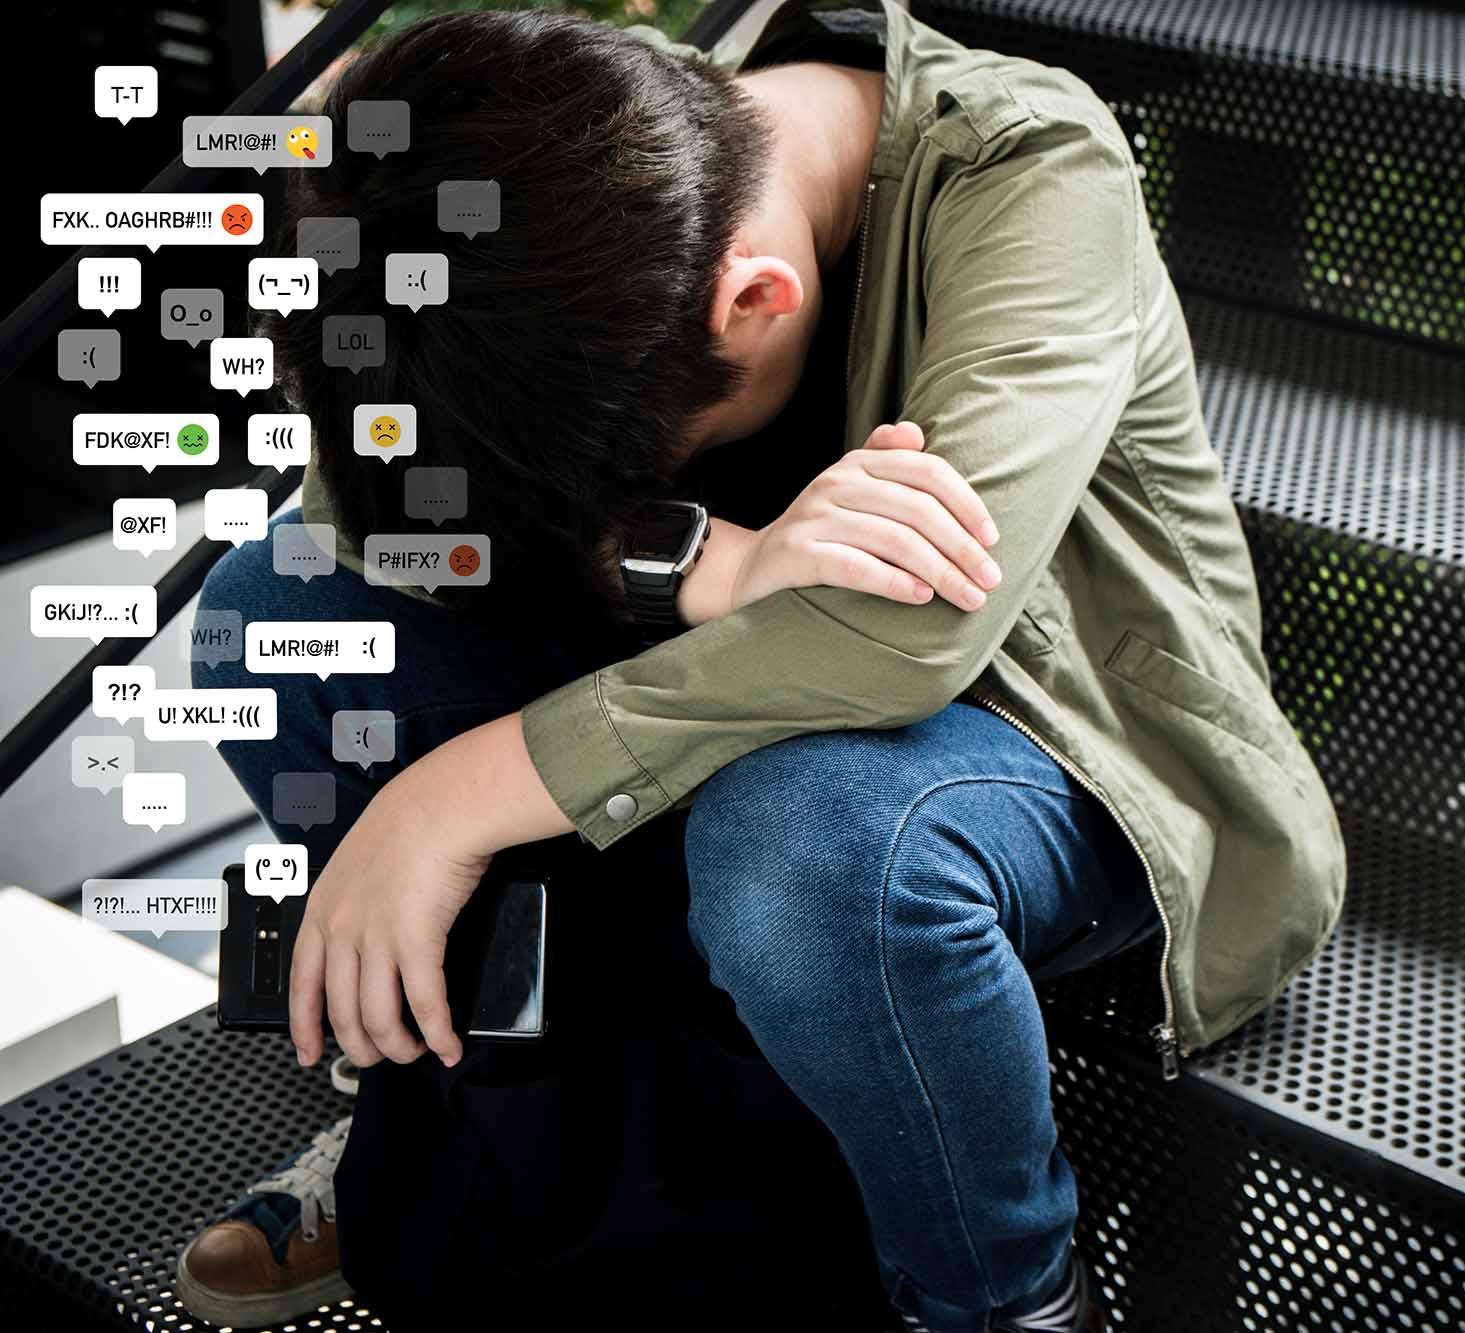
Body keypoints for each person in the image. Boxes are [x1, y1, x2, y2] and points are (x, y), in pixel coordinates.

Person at [180, 2, 1347, 1330]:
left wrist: (450, 796)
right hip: (715, 683)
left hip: (1051, 741)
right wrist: (700, 558)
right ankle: (464, 1114)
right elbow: (363, 508)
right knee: (266, 610)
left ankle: (1000, 1297)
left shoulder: (1034, 172)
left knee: (803, 842)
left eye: (638, 465)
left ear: (756, 300)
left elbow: (908, 631)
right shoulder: (584, 158)